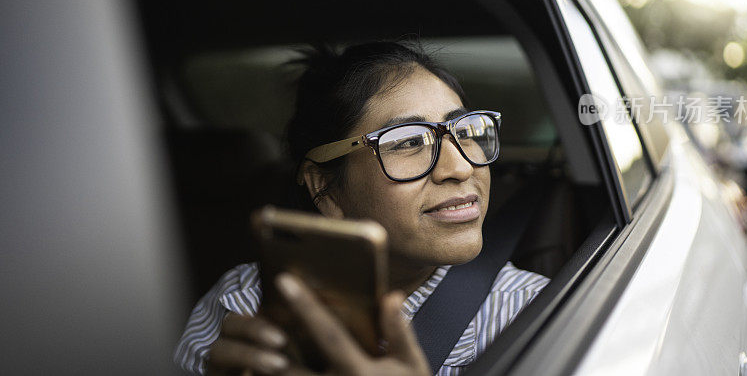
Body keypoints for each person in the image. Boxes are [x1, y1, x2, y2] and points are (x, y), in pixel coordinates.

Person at [174, 41, 549, 375]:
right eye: (407, 142)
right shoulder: (243, 303)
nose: (461, 167)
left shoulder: (533, 315)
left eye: (465, 131)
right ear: (326, 189)